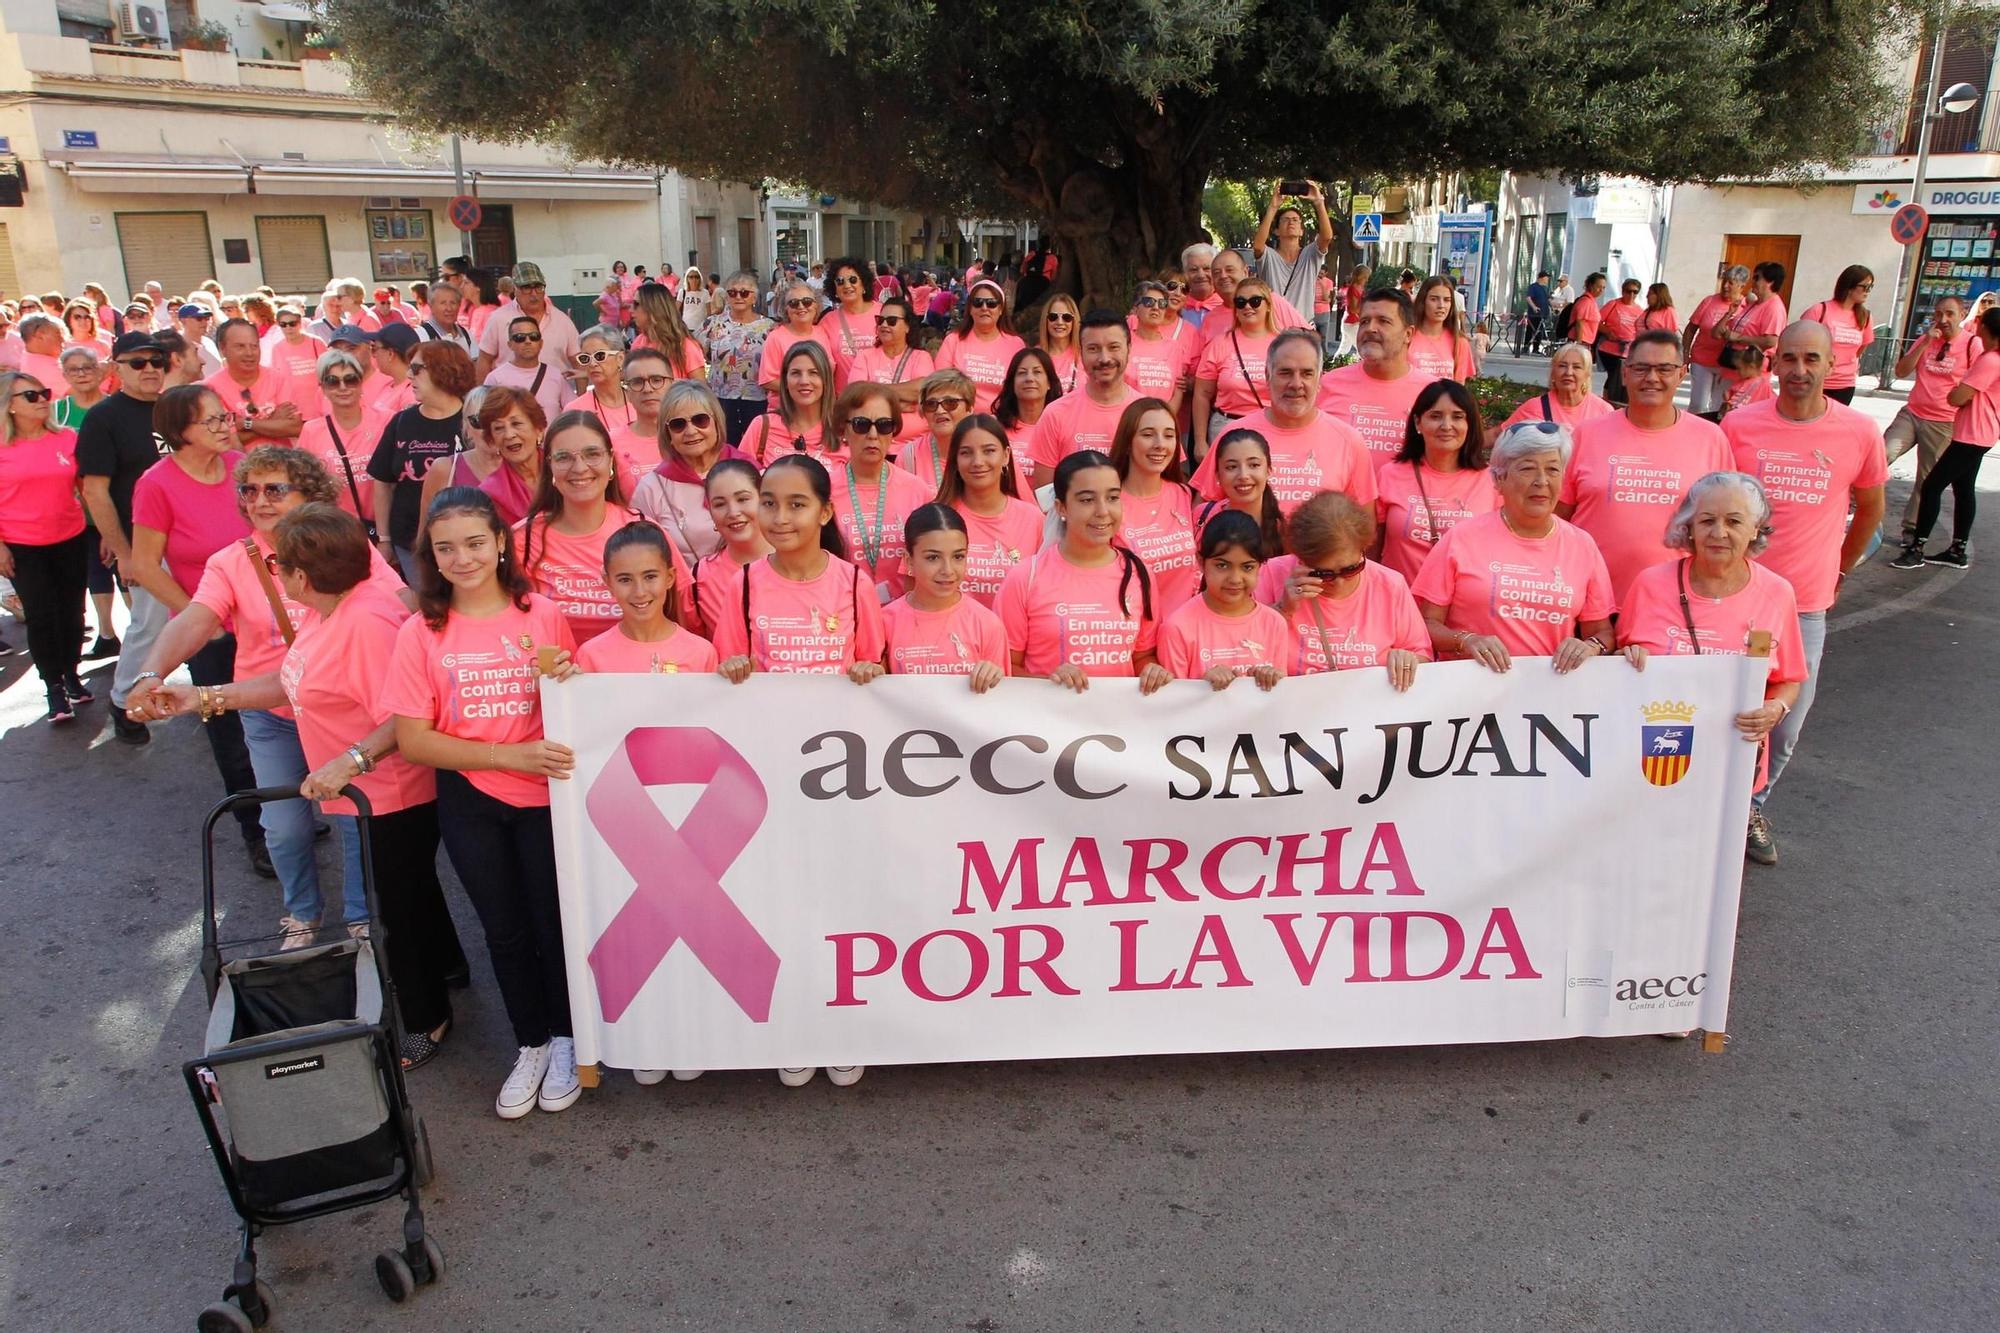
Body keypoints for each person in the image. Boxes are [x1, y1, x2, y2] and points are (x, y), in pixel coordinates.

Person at [128, 446, 408, 941]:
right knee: (282, 827)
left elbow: (395, 603)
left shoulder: (343, 546)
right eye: (249, 490)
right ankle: (303, 913)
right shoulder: (232, 562)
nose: (259, 500)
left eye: (275, 488)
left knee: (352, 823)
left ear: (309, 493)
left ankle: (363, 919)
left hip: (343, 712)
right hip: (271, 711)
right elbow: (197, 618)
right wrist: (151, 673)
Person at [383, 486, 581, 1118]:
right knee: (504, 927)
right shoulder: (421, 631)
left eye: (474, 542)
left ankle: (571, 1040)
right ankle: (531, 1042)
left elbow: (571, 703)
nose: (462, 558)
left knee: (553, 922)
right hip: (470, 796)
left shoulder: (543, 614)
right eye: (446, 549)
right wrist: (505, 756)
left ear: (500, 542)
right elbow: (415, 740)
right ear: (431, 558)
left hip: (546, 796)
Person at [1723, 321, 1886, 864]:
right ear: (1774, 361)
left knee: (1786, 724)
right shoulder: (1740, 426)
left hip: (1806, 606)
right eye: (1789, 359)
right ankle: (1709, 811)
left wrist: (1840, 570)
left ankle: (1748, 805)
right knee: (1723, 714)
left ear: (1830, 363)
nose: (1799, 371)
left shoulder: (1859, 431)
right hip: (1736, 599)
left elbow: (1871, 508)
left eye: (1811, 360)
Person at [124, 385, 268, 865]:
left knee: (278, 718)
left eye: (226, 416)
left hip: (264, 620)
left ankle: (288, 812)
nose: (227, 425)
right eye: (212, 421)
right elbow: (144, 566)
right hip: (210, 628)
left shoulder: (238, 468)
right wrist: (201, 620)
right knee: (230, 732)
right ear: (180, 433)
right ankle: (256, 830)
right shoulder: (156, 484)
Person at [1619, 472, 1806, 802]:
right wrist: (1627, 657)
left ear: (1755, 529)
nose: (1719, 533)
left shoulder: (1777, 594)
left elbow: (1789, 679)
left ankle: (1750, 816)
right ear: (1688, 527)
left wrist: (1774, 709)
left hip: (1732, 759)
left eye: (1734, 521)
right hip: (1653, 762)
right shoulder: (1649, 585)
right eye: (1707, 520)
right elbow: (1619, 664)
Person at [1412, 422, 1621, 674]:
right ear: (1499, 478)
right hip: (1468, 696)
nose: (1541, 481)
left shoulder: (1582, 545)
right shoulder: (1461, 539)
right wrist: (1466, 641)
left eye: (1553, 470)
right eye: (1527, 469)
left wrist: (1590, 647)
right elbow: (1423, 624)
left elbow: (1601, 632)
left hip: (1547, 696)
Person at [1559, 330, 1734, 602]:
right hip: (1590, 601)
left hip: (1673, 604)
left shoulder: (1710, 439)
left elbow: (1728, 524)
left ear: (1681, 374)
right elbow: (1559, 519)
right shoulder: (1586, 434)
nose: (1652, 378)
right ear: (1626, 373)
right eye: (1641, 368)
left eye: (1664, 368)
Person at [998, 449, 1167, 692]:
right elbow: (1005, 666)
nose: (1102, 511)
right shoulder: (1026, 578)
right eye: (1087, 500)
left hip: (1120, 724)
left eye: (1112, 497)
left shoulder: (1139, 574)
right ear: (1062, 507)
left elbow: (1142, 656)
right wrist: (1050, 681)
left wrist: (1153, 670)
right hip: (1047, 724)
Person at [79, 332, 173, 741]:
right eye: (138, 362)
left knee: (207, 620)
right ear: (115, 368)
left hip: (193, 535)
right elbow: (95, 491)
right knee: (149, 625)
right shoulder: (104, 417)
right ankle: (123, 702)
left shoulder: (175, 408)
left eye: (157, 361)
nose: (150, 368)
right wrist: (125, 553)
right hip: (146, 542)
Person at [1189, 327, 1374, 518]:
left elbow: (1365, 525)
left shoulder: (1349, 441)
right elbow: (1200, 513)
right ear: (1267, 376)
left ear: (1320, 379)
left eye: (1307, 373)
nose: (1296, 384)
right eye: (1285, 373)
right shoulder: (1234, 434)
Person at [1259, 489, 1429, 686]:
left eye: (1350, 570)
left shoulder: (1390, 585)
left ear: (1364, 548)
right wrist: (1282, 609)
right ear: (1300, 558)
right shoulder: (1272, 574)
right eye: (1324, 574)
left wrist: (1408, 660)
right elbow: (1242, 647)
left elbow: (1422, 655)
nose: (1339, 582)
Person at [0, 369, 89, 720]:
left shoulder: (66, 438)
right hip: (23, 545)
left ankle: (71, 673)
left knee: (73, 611)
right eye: (31, 396)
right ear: (9, 406)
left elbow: (86, 488)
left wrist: (106, 538)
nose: (43, 401)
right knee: (41, 615)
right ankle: (53, 685)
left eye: (44, 393)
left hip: (70, 536)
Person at [1891, 304, 2000, 571]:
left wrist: (1954, 395)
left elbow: (1958, 396)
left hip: (1971, 433)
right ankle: (1957, 549)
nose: (1943, 319)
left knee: (1931, 486)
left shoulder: (1989, 359)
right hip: (1978, 432)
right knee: (1963, 489)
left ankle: (1917, 548)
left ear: (1982, 328)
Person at [366, 341, 476, 581]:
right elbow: (383, 482)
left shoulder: (473, 422)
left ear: (443, 370)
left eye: (416, 369)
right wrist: (384, 539)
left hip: (467, 545)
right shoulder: (402, 422)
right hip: (410, 544)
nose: (408, 375)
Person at [1375, 379, 1499, 582]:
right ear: (1417, 422)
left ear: (1470, 424)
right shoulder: (1390, 475)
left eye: (1458, 417)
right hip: (1400, 604)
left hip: (1461, 607)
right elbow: (1372, 549)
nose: (1446, 426)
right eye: (1435, 416)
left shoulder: (1491, 482)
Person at [1155, 507, 1288, 688]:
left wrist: (1271, 678)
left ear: (1260, 566)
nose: (1235, 579)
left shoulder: (1274, 623)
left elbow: (1280, 695)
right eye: (1222, 566)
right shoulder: (1177, 627)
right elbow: (1173, 703)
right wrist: (1202, 685)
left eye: (1247, 567)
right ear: (1201, 562)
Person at [822, 382, 931, 603]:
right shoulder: (826, 490)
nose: (873, 435)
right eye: (862, 425)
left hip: (903, 615)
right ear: (843, 429)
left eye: (883, 425)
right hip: (842, 611)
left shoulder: (917, 490)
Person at [882, 503, 1009, 688]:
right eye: (933, 558)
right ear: (909, 561)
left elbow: (1002, 702)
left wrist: (994, 676)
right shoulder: (885, 622)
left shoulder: (987, 624)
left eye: (958, 557)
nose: (947, 570)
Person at [574, 518, 719, 677]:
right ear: (608, 583)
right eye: (625, 580)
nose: (640, 592)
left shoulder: (701, 653)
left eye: (650, 577)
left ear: (669, 577)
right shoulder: (591, 656)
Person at [1883, 296, 1975, 542]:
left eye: (1949, 314)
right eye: (1938, 314)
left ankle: (1912, 529)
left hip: (1943, 422)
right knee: (1882, 453)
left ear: (1962, 314)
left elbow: (1979, 382)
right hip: (1913, 413)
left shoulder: (1971, 344)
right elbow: (1901, 371)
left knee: (1926, 478)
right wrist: (1924, 344)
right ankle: (1851, 503)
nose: (1943, 320)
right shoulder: (1926, 340)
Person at [631, 379, 750, 565]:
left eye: (700, 420)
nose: (691, 431)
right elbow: (641, 555)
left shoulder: (752, 473)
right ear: (667, 433)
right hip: (688, 590)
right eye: (678, 425)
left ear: (717, 422)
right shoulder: (652, 488)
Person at [937, 413, 1045, 609]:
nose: (977, 462)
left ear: (1005, 456)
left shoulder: (1033, 519)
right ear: (955, 460)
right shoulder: (937, 518)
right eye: (966, 453)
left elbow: (1044, 592)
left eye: (989, 451)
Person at [1109, 398, 1199, 616]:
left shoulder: (1185, 495)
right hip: (1134, 633)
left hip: (1184, 633)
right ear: (1128, 442)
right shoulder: (1108, 501)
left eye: (1169, 435)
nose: (1160, 444)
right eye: (1148, 434)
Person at [1318, 289, 1429, 462]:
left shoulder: (1431, 393)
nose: (1370, 329)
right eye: (1364, 321)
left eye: (1383, 321)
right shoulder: (1328, 385)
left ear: (1408, 334)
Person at [1029, 310, 1136, 487]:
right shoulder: (1055, 414)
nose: (1104, 358)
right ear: (1081, 352)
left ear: (1129, 349)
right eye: (1093, 349)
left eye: (1114, 347)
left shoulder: (1148, 413)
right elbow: (1044, 493)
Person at [296, 349, 391, 535]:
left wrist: (386, 537)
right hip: (338, 533)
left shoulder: (386, 421)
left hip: (385, 530)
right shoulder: (312, 431)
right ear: (323, 388)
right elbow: (303, 485)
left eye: (350, 379)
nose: (343, 387)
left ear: (361, 383)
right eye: (333, 382)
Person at [1191, 277, 1282, 459]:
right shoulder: (1219, 344)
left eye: (1255, 301)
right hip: (1226, 426)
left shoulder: (1283, 344)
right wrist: (1200, 441)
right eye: (1240, 303)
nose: (1247, 307)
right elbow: (1202, 394)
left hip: (1270, 427)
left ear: (1268, 305)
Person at [685, 457, 770, 638]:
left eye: (743, 499)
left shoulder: (796, 562)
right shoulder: (700, 578)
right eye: (720, 504)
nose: (733, 512)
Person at [846, 294, 933, 451]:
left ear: (907, 327)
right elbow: (855, 397)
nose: (884, 325)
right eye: (880, 320)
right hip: (871, 444)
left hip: (913, 448)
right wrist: (899, 403)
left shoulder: (922, 357)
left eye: (892, 321)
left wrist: (873, 390)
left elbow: (921, 390)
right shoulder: (864, 356)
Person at [473, 261, 580, 383]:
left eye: (538, 287)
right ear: (515, 289)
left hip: (554, 396)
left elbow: (578, 361)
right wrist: (481, 397)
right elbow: (484, 360)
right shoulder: (498, 319)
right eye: (526, 288)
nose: (534, 294)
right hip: (509, 397)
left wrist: (581, 396)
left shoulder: (562, 321)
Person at [702, 270, 775, 445]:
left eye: (744, 293)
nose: (738, 297)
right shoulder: (712, 323)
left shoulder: (769, 327)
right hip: (721, 396)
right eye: (732, 292)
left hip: (756, 397)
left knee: (755, 444)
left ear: (754, 298)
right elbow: (705, 355)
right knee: (725, 444)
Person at [932, 278, 1026, 414]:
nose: (984, 308)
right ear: (970, 308)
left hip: (1002, 422)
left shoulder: (1016, 344)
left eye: (991, 304)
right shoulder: (953, 341)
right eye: (978, 302)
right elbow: (938, 385)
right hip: (960, 421)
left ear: (1001, 310)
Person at [1250, 180, 1335, 320]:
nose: (1291, 222)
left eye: (1296, 220)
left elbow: (1326, 237)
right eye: (1285, 220)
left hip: (1302, 328)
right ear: (1276, 231)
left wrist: (1319, 202)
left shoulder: (1310, 254)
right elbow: (1258, 246)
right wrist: (1273, 207)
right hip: (1274, 327)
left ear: (1301, 231)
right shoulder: (1269, 256)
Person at [751, 339, 842, 466]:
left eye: (813, 373)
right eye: (796, 373)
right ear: (785, 381)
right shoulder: (762, 426)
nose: (804, 381)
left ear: (825, 380)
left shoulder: (844, 430)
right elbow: (740, 481)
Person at [1199, 428, 1287, 558]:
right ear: (1217, 475)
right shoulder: (1202, 516)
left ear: (1269, 470)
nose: (1243, 475)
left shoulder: (1286, 530)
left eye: (1254, 465)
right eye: (1232, 467)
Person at [1497, 342, 1614, 434]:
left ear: (1587, 374)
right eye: (1562, 366)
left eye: (1577, 367)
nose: (1568, 372)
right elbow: (1500, 435)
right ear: (1553, 373)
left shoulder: (1604, 411)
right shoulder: (1535, 407)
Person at [1800, 266, 1877, 406]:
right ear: (1849, 286)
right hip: (1816, 380)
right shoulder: (1820, 310)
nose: (1867, 292)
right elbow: (1799, 341)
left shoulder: (1865, 317)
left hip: (1845, 384)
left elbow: (1860, 348)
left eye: (1871, 287)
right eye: (1865, 287)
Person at [476, 387, 549, 527]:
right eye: (498, 428)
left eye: (516, 424)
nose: (509, 435)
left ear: (538, 429)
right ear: (492, 440)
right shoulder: (488, 494)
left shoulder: (564, 471)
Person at [1683, 265, 1750, 418]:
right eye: (1724, 281)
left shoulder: (1747, 307)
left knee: (1719, 405)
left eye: (1731, 283)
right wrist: (1685, 353)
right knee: (1698, 404)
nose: (1725, 286)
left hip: (1727, 364)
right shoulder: (1709, 301)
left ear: (1742, 285)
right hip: (1702, 360)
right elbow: (1690, 329)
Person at [485, 314, 574, 425]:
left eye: (534, 336)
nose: (528, 341)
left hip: (550, 441)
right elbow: (487, 419)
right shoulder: (495, 379)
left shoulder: (555, 375)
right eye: (520, 338)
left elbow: (573, 411)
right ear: (510, 344)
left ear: (541, 343)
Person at [1126, 280, 1195, 416]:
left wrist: (1164, 419)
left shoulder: (1174, 348)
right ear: (1135, 309)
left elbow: (1177, 390)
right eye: (1149, 302)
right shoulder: (1123, 344)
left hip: (1163, 421)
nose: (1156, 308)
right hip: (1128, 419)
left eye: (1162, 304)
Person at [988, 352, 1052, 494]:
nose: (1029, 378)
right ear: (1012, 383)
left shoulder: (1059, 426)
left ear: (1049, 383)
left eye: (1037, 372)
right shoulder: (993, 427)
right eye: (1022, 373)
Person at [1714, 261, 1789, 381]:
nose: (1752, 281)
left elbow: (1770, 341)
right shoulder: (1754, 304)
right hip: (1732, 367)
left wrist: (1738, 338)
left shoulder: (1774, 307)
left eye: (1757, 278)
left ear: (1770, 282)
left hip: (1750, 373)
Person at [814, 258, 879, 386]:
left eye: (853, 280)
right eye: (840, 281)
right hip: (843, 401)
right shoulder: (827, 321)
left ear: (864, 284)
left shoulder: (884, 313)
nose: (847, 285)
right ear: (835, 288)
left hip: (879, 398)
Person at [755, 281, 824, 394]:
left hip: (822, 407)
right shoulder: (776, 338)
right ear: (786, 308)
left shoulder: (823, 332)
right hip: (787, 408)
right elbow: (767, 380)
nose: (801, 307)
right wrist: (804, 388)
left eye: (807, 302)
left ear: (816, 305)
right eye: (793, 303)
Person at [568, 324, 633, 440]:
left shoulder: (640, 401)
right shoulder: (575, 410)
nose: (592, 364)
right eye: (585, 358)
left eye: (599, 356)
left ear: (620, 359)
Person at [1410, 276, 1476, 382]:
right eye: (1434, 299)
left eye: (1447, 300)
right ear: (1423, 301)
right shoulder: (1406, 337)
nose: (1441, 305)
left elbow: (1458, 387)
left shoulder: (1460, 342)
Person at [1592, 279, 1644, 406]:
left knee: (1621, 379)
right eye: (1628, 291)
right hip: (1609, 349)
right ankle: (1608, 402)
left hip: (1628, 350)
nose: (1631, 295)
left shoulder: (1639, 310)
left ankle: (1614, 402)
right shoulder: (1613, 304)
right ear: (1623, 291)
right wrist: (1608, 332)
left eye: (1635, 292)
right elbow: (1597, 321)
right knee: (1614, 375)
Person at [1033, 294, 1083, 396]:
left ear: (1075, 321)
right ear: (1045, 320)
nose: (1059, 322)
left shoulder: (1085, 354)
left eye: (1067, 317)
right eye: (1053, 317)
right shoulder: (1035, 356)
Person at [416, 280, 475, 353]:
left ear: (459, 305)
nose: (449, 308)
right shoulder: (421, 335)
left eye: (453, 303)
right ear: (431, 306)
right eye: (443, 303)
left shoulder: (467, 335)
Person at [1560, 273, 1607, 358]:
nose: (1601, 290)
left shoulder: (1591, 301)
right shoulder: (1586, 301)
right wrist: (1579, 344)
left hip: (1585, 342)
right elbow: (1579, 322)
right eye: (1598, 287)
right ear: (1590, 286)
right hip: (1580, 342)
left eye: (1603, 287)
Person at [1523, 271, 1553, 353]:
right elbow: (1528, 298)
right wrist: (1534, 307)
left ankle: (1536, 348)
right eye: (1546, 277)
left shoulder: (1545, 288)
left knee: (1539, 331)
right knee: (1531, 330)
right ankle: (1526, 347)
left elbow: (1549, 299)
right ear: (1542, 278)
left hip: (1543, 314)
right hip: (1534, 314)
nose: (1547, 279)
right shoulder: (1533, 287)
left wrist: (1555, 306)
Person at [679, 267, 713, 331]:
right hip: (686, 327)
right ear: (687, 279)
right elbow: (676, 309)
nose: (694, 279)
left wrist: (708, 326)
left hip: (701, 327)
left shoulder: (705, 292)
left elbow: (709, 312)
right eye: (691, 277)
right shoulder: (682, 292)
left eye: (696, 277)